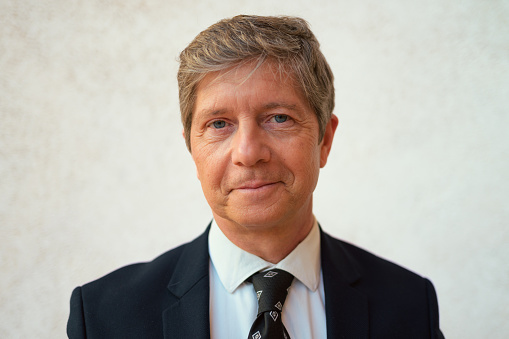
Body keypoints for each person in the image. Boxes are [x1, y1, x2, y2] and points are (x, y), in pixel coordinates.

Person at [67, 15, 445, 338]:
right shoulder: (104, 316)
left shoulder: (410, 306)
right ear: (191, 149)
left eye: (279, 118)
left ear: (324, 140)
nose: (249, 153)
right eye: (219, 124)